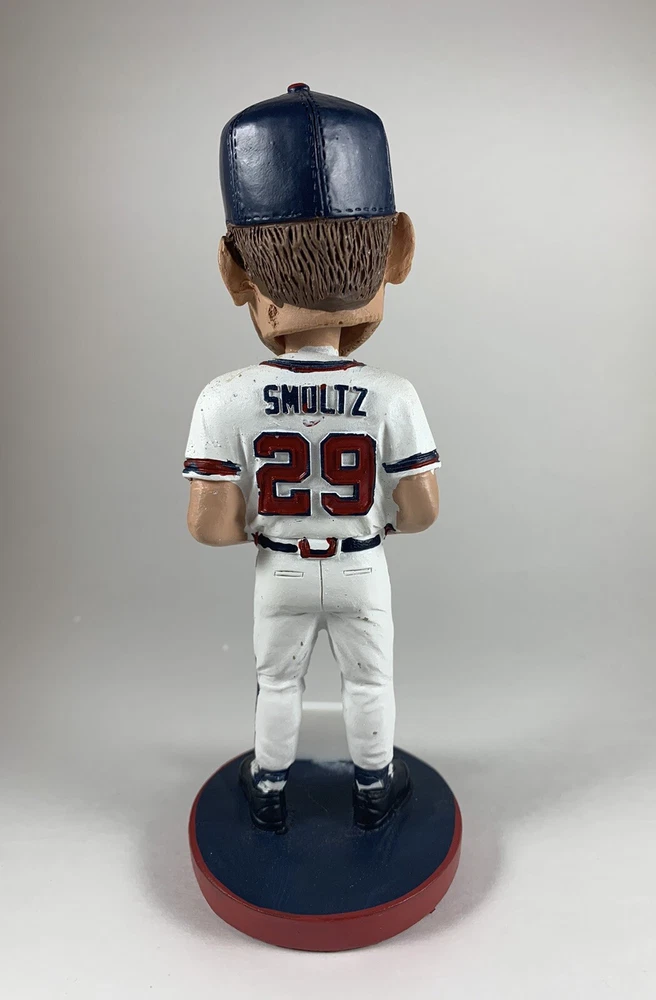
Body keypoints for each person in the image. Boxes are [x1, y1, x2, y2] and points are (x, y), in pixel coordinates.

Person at [183, 85, 440, 833]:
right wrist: (366, 516)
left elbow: (209, 527)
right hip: (360, 563)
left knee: (278, 684)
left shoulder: (225, 396)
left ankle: (268, 790)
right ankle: (373, 789)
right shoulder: (393, 394)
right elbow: (422, 512)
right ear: (398, 251)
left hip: (281, 568)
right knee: (369, 683)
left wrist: (276, 521)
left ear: (235, 270)